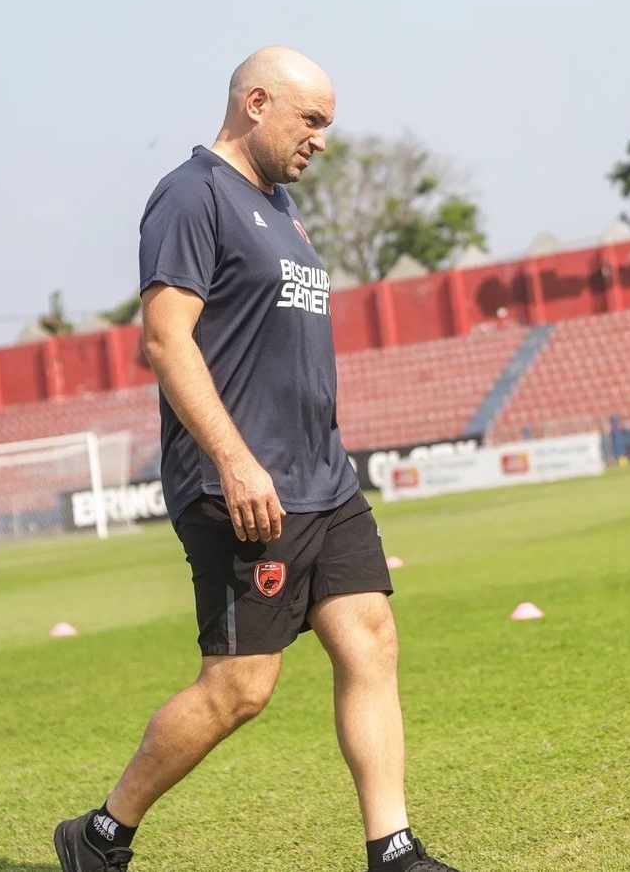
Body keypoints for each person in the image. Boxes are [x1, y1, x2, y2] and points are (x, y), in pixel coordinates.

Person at [52, 46, 463, 872]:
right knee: (241, 688)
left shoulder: (282, 209)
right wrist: (236, 461)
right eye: (311, 121)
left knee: (370, 638)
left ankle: (394, 848)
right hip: (244, 484)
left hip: (325, 481)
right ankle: (102, 833)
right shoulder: (191, 195)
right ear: (258, 102)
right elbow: (167, 344)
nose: (320, 140)